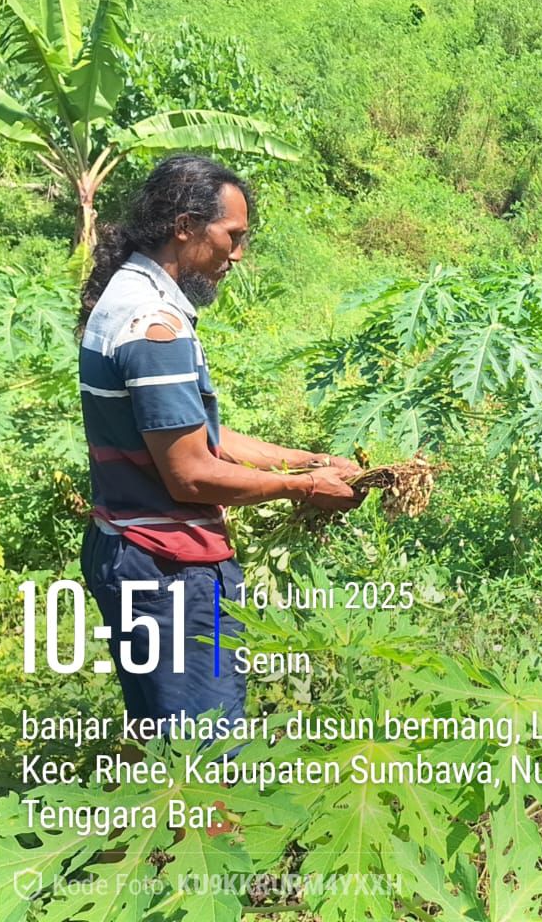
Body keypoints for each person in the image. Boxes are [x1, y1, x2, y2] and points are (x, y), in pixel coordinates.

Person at [78, 154, 362, 732]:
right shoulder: (155, 327)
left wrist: (307, 461)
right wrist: (305, 488)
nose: (237, 255)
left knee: (162, 737)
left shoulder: (129, 294)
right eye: (232, 236)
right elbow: (190, 474)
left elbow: (192, 435)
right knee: (207, 750)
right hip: (168, 571)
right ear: (185, 227)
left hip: (130, 551)